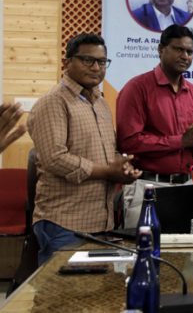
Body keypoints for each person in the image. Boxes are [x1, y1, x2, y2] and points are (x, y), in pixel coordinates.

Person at [27, 34, 141, 264]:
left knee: (91, 297)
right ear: (67, 62)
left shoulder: (100, 102)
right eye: (88, 60)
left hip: (101, 222)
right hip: (64, 223)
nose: (96, 67)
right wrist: (108, 172)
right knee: (59, 297)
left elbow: (108, 153)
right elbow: (55, 159)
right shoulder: (54, 102)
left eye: (101, 62)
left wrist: (122, 168)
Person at [116, 24, 193, 227]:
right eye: (178, 49)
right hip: (147, 187)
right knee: (143, 253)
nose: (185, 56)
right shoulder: (137, 88)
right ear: (161, 50)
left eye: (189, 51)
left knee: (184, 256)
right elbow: (128, 142)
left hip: (186, 186)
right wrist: (182, 141)